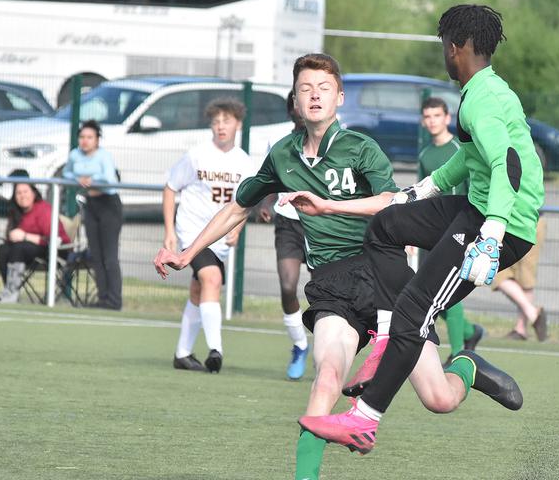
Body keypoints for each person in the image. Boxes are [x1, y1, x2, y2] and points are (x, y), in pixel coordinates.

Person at [153, 53, 522, 478]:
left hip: (384, 279)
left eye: (323, 88)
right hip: (332, 286)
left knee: (439, 399)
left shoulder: (361, 148)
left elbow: (392, 206)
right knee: (326, 378)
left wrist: (330, 207)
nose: (314, 95)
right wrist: (185, 253)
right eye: (305, 89)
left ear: (339, 98)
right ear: (294, 101)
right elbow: (238, 207)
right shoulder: (283, 156)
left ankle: (466, 367)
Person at [297, 4, 545, 454]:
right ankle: (392, 336)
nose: (443, 56)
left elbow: (504, 165)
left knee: (416, 312)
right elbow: (470, 159)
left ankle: (365, 420)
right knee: (387, 226)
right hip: (478, 206)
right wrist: (424, 190)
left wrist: (491, 235)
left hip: (501, 224)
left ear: (457, 48)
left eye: (443, 47)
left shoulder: (481, 101)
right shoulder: (484, 90)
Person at [162, 97, 252, 373]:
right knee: (212, 278)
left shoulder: (244, 163)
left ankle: (182, 353)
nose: (220, 126)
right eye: (216, 122)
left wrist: (236, 228)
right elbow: (169, 187)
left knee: (199, 290)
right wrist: (169, 232)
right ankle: (216, 349)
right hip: (192, 233)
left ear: (238, 123)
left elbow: (246, 203)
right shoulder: (196, 155)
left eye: (226, 121)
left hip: (219, 239)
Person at [417, 96, 484, 362]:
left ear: (447, 118)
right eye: (428, 116)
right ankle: (469, 331)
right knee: (430, 289)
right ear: (423, 121)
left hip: (459, 229)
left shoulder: (460, 148)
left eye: (437, 116)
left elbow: (474, 187)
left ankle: (458, 355)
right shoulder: (425, 155)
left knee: (449, 291)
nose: (432, 121)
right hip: (431, 231)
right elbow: (425, 192)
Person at [258, 90, 310, 380]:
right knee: (288, 287)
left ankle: (328, 351)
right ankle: (300, 345)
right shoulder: (279, 143)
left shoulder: (336, 141)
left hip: (322, 225)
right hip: (288, 222)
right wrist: (265, 204)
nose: (302, 107)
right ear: (290, 109)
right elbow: (269, 181)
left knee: (324, 294)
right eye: (296, 102)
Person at [63, 119, 123, 310]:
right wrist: (77, 179)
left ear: (97, 139)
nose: (85, 141)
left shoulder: (103, 156)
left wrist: (92, 179)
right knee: (96, 255)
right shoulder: (75, 155)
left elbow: (110, 178)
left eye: (89, 137)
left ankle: (114, 300)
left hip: (108, 205)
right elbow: (67, 173)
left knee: (109, 256)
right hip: (91, 204)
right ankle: (103, 298)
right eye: (82, 137)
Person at [0, 182, 71, 303]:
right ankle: (10, 291)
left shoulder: (44, 209)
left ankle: (12, 292)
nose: (22, 196)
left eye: (25, 192)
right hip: (25, 252)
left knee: (20, 247)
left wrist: (25, 236)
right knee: (1, 250)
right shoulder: (16, 212)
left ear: (34, 193)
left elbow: (53, 239)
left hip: (55, 251)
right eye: (18, 193)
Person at [493, 215, 548, 341]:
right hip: (509, 222)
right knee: (498, 274)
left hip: (530, 221)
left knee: (526, 279)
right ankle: (533, 314)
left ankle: (521, 328)